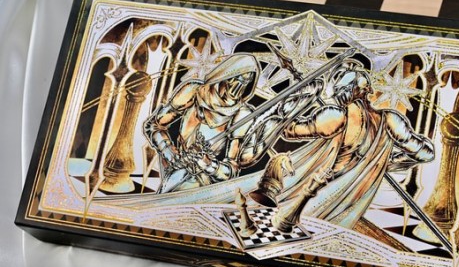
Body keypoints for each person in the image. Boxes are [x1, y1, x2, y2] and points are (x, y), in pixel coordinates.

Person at [273, 61, 435, 230]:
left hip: (324, 193)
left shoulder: (334, 117)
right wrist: (386, 162)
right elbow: (425, 154)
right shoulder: (391, 120)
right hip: (340, 198)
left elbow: (287, 130)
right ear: (367, 91)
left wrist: (297, 98)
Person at [143, 53, 261, 193]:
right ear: (225, 75)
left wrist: (208, 164)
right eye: (234, 80)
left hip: (203, 184)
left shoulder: (242, 115)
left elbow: (232, 170)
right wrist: (169, 152)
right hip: (173, 170)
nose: (235, 92)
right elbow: (153, 125)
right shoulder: (194, 91)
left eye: (244, 84)